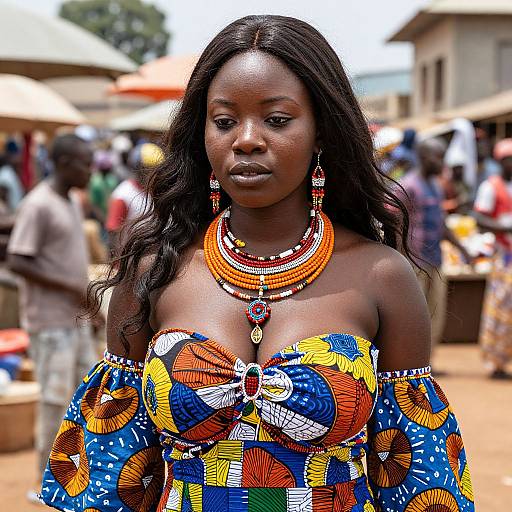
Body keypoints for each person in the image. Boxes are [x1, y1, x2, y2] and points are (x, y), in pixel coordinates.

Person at [39, 16, 473, 512]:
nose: (246, 139)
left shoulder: (382, 276)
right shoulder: (154, 271)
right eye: (224, 121)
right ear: (201, 133)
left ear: (321, 133)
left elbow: (419, 482)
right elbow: (108, 481)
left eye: (277, 119)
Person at [6, 133, 98, 496]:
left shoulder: (70, 202)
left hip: (76, 320)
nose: (90, 171)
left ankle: (77, 476)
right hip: (50, 322)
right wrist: (70, 287)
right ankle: (46, 483)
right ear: (64, 164)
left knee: (87, 397)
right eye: (85, 164)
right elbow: (17, 259)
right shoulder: (38, 204)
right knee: (54, 401)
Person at [398, 138, 471, 348]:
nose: (442, 163)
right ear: (423, 157)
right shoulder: (408, 186)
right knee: (414, 315)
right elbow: (393, 223)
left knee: (435, 311)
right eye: (438, 157)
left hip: (435, 259)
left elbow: (441, 223)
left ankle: (428, 361)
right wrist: (399, 259)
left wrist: (462, 248)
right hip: (414, 260)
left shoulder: (437, 187)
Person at [474, 138, 512, 379]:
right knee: (499, 308)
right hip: (503, 256)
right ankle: (494, 361)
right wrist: (504, 228)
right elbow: (479, 219)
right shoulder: (491, 186)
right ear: (501, 162)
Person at [105, 142, 163, 251]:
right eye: (149, 169)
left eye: (156, 169)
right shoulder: (124, 195)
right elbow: (113, 232)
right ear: (138, 168)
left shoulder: (157, 192)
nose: (154, 174)